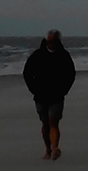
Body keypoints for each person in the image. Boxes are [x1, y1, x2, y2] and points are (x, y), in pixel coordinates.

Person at [21, 29, 76, 160]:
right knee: (45, 124)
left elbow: (70, 74)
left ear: (58, 41)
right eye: (49, 41)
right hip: (40, 95)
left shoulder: (64, 56)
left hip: (57, 95)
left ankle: (55, 148)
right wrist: (33, 89)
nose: (50, 43)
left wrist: (64, 90)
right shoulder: (37, 55)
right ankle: (48, 149)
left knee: (53, 122)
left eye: (53, 41)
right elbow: (27, 73)